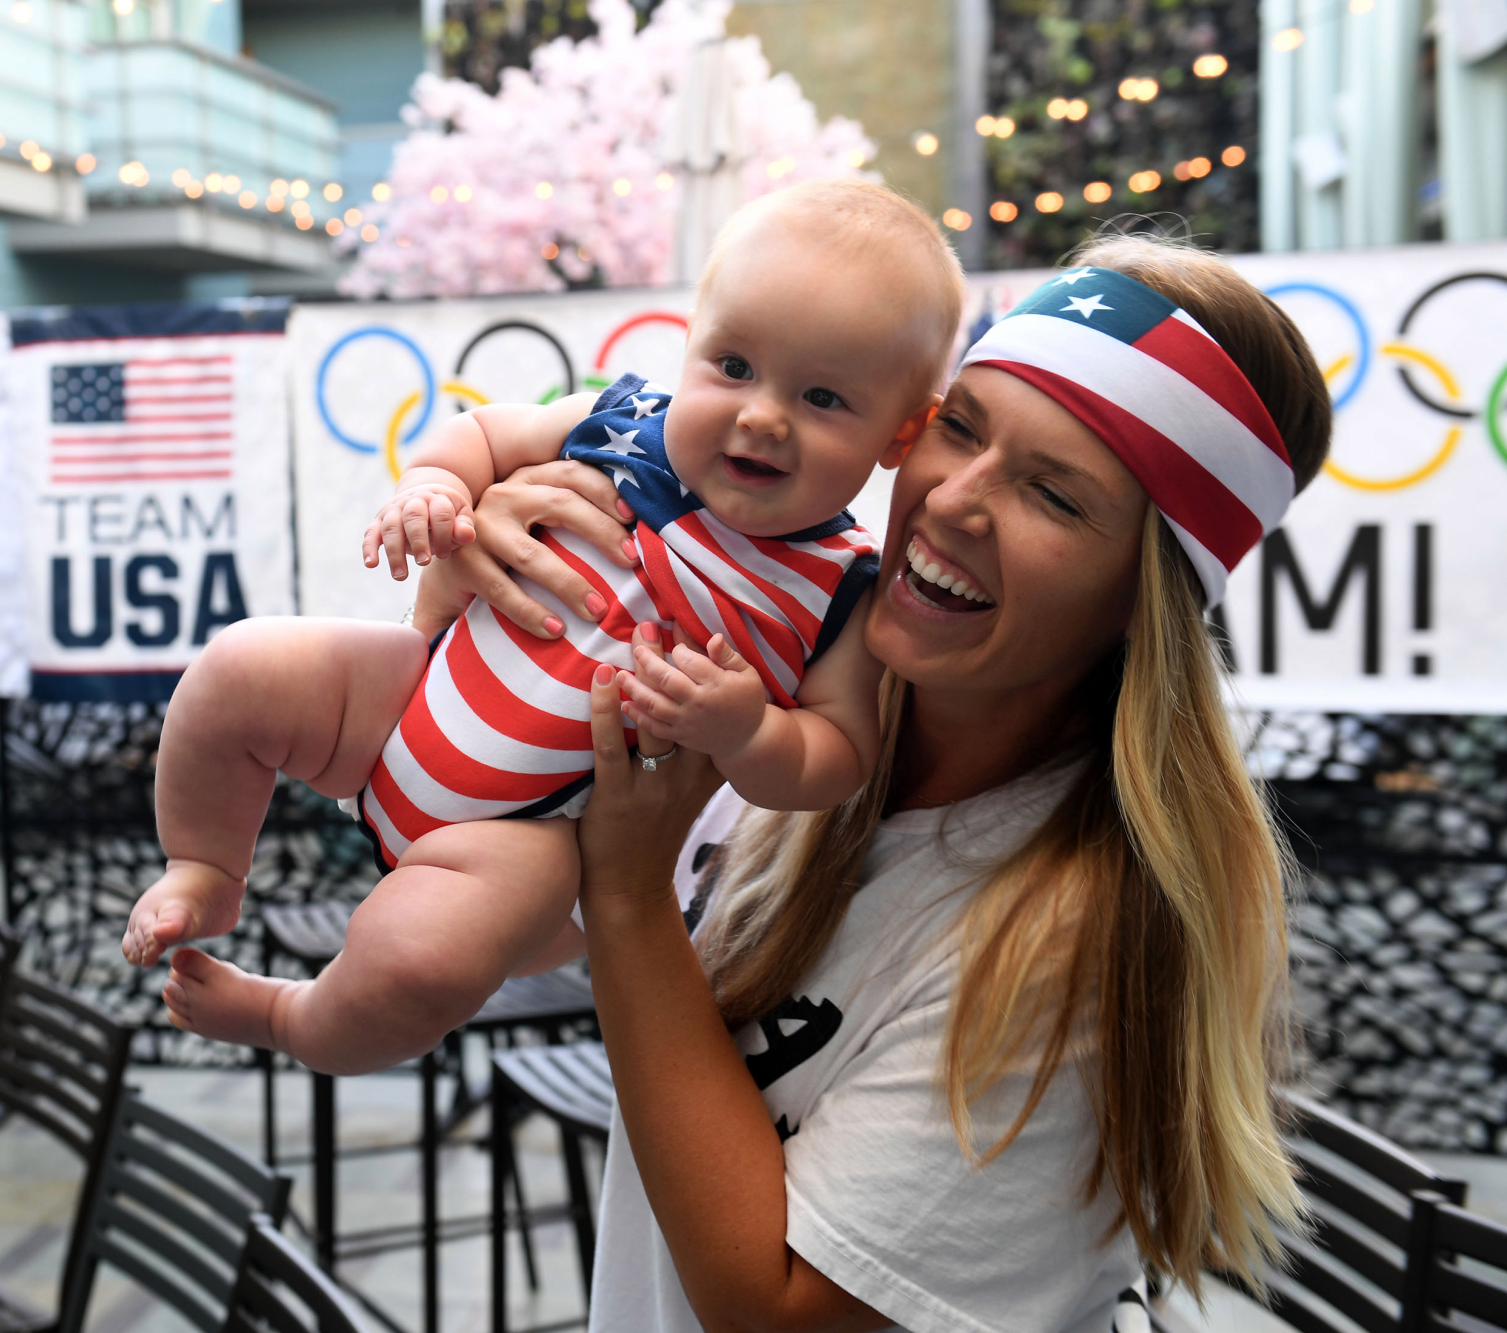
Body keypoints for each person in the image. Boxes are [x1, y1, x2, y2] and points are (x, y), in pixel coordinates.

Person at [426, 235, 1329, 1327]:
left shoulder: (1069, 937)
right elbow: (499, 876)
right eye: (959, 427)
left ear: (1143, 595)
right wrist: (487, 573)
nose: (953, 500)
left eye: (1054, 493)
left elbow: (777, 1313)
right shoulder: (784, 687)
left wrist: (625, 896)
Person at [129, 180, 965, 1075]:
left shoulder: (838, 589)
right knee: (239, 666)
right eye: (733, 367)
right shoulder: (626, 422)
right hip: (402, 699)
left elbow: (836, 757)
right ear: (688, 348)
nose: (761, 415)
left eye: (823, 398)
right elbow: (487, 433)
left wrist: (750, 729)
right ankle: (207, 868)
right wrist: (438, 489)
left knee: (420, 968)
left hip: (525, 840)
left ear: (900, 436)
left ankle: (296, 1017)